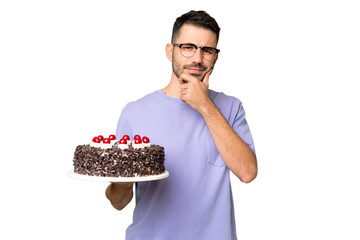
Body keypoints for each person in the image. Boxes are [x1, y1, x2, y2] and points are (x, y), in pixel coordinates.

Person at [106, 10, 257, 239]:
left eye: (207, 50)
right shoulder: (134, 113)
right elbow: (117, 202)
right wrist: (124, 184)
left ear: (215, 57)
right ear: (170, 51)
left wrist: (205, 106)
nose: (197, 58)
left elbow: (247, 172)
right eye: (188, 47)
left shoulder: (231, 108)